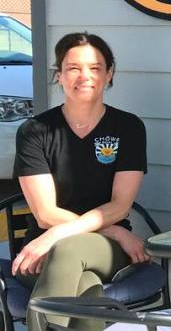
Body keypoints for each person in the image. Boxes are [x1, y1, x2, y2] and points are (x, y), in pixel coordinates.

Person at [12, 32, 148, 331]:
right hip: (42, 252)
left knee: (69, 248)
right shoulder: (35, 131)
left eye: (95, 68)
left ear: (109, 74)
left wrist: (55, 237)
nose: (84, 76)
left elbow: (119, 205)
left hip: (103, 249)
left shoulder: (128, 127)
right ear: (58, 75)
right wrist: (114, 231)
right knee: (88, 287)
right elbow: (46, 215)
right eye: (73, 68)